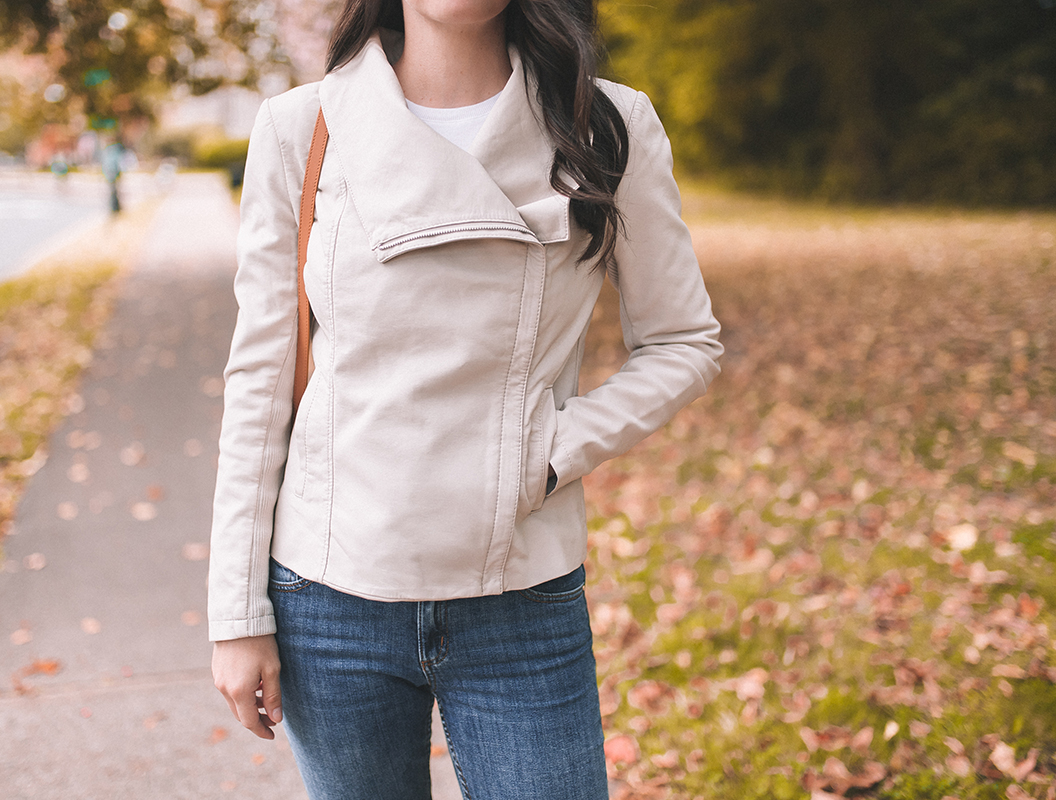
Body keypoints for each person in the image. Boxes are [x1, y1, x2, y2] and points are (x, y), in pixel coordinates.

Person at [208, 1, 723, 797]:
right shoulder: (303, 128)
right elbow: (261, 380)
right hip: (329, 593)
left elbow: (685, 340)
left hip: (521, 595)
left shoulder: (606, 122)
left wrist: (548, 453)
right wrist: (237, 615)